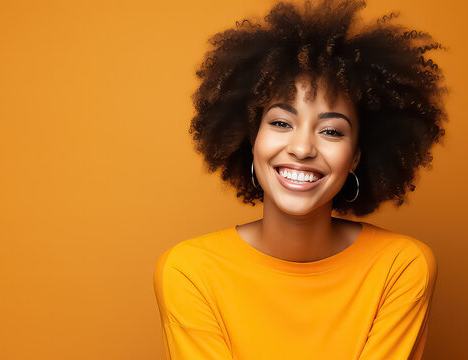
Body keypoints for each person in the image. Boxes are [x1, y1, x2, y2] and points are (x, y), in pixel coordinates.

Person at [153, 0, 448, 358]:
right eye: (281, 123)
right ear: (251, 139)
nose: (303, 147)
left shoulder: (400, 267)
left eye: (331, 131)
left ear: (355, 156)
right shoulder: (189, 271)